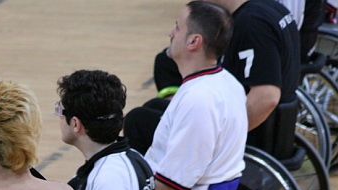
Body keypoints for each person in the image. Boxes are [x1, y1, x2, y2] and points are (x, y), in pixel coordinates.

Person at [126, 0, 301, 162]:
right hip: (275, 129)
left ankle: (151, 180)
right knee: (156, 103)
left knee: (137, 121)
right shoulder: (269, 8)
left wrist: (223, 138)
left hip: (258, 138)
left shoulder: (252, 24)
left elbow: (266, 97)